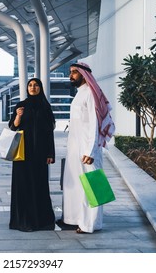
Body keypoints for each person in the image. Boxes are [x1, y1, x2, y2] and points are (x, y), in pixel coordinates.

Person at [58, 62, 115, 234]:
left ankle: (91, 224)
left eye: (75, 72)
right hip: (76, 149)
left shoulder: (90, 94)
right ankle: (79, 219)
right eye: (70, 72)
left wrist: (90, 151)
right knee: (80, 186)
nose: (71, 75)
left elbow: (94, 125)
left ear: (84, 74)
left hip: (88, 149)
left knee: (94, 184)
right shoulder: (79, 95)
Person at [8, 78, 56, 232]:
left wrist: (50, 153)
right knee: (23, 186)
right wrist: (18, 116)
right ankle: (22, 221)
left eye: (36, 85)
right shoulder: (21, 105)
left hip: (40, 154)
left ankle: (41, 221)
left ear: (40, 88)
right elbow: (12, 127)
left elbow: (50, 132)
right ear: (27, 88)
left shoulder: (46, 107)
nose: (33, 87)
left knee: (39, 185)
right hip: (23, 153)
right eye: (30, 85)